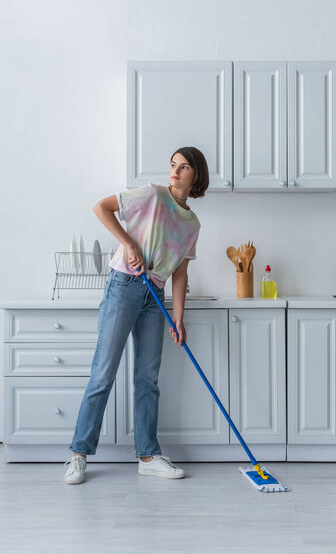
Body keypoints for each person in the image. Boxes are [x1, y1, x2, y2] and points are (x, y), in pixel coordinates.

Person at [64, 147, 209, 484]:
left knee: (148, 378)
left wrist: (179, 318)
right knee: (103, 373)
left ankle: (147, 455)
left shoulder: (192, 224)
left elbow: (180, 274)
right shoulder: (152, 195)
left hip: (154, 294)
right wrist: (129, 244)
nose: (175, 171)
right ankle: (78, 454)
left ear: (196, 176)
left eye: (183, 166)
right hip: (124, 285)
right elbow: (101, 208)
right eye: (172, 164)